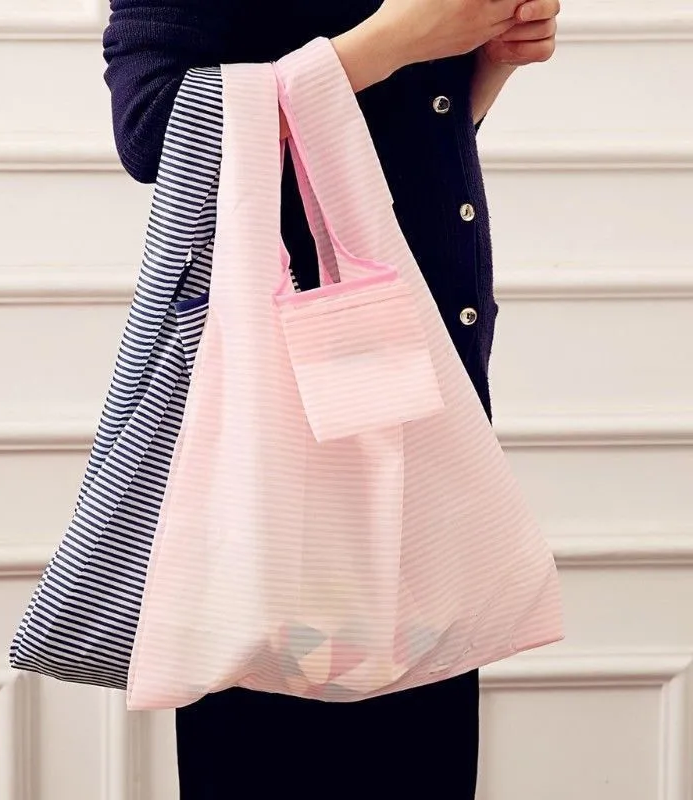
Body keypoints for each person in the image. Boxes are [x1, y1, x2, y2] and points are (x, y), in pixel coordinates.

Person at [103, 0, 559, 797]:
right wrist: (397, 40)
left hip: (421, 400)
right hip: (286, 427)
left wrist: (481, 65)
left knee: (419, 745)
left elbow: (375, 147)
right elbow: (153, 131)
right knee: (272, 742)